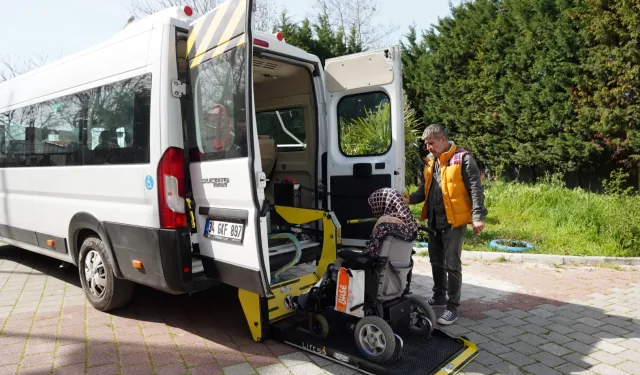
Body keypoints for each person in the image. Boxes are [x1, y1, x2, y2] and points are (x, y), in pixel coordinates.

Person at [403, 124, 487, 325]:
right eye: (426, 144)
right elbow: (424, 190)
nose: (428, 148)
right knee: (435, 261)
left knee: (452, 264)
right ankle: (439, 295)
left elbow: (476, 189)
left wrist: (477, 216)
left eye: (431, 143)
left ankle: (452, 307)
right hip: (433, 220)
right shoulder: (431, 162)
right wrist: (408, 199)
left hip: (453, 222)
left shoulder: (463, 158)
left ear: (442, 139)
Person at [288, 187, 418, 311]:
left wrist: (347, 254)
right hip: (396, 279)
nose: (374, 210)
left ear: (383, 203)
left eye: (375, 206)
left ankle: (305, 300)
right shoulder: (409, 226)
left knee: (335, 266)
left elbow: (371, 255)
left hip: (376, 276)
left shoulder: (385, 224)